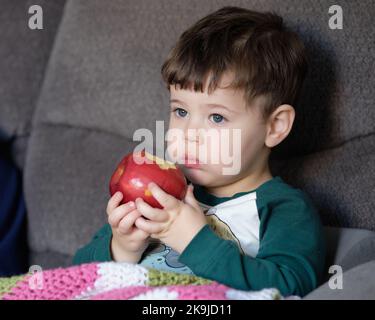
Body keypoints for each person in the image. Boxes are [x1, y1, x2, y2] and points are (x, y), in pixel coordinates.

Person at [73, 6, 326, 297]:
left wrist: (195, 241)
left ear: (275, 126)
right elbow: (77, 275)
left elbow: (290, 286)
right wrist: (121, 247)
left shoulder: (283, 210)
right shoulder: (161, 194)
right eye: (180, 111)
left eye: (217, 117)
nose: (188, 134)